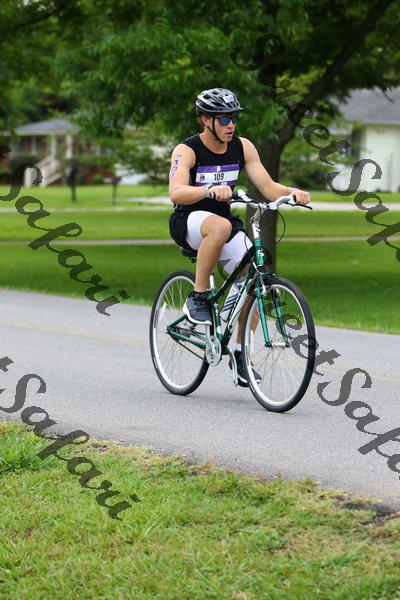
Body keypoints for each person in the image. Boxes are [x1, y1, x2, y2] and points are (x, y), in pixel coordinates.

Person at [168, 87, 310, 385]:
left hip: (222, 221)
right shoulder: (187, 150)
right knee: (219, 227)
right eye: (223, 119)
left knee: (256, 275)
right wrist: (208, 191)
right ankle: (198, 297)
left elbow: (268, 187)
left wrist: (292, 192)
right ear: (205, 120)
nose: (231, 124)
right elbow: (176, 192)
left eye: (234, 118)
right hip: (188, 220)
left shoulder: (243, 147)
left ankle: (239, 352)